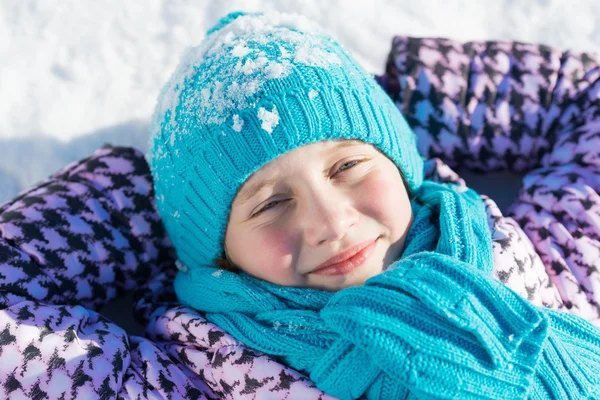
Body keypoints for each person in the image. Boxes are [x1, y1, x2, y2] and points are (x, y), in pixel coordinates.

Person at [147, 11, 600, 399]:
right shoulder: (201, 374)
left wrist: (407, 96)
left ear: (400, 166)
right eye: (270, 204)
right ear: (220, 256)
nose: (332, 221)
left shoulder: (555, 257)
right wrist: (123, 212)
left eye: (346, 165)